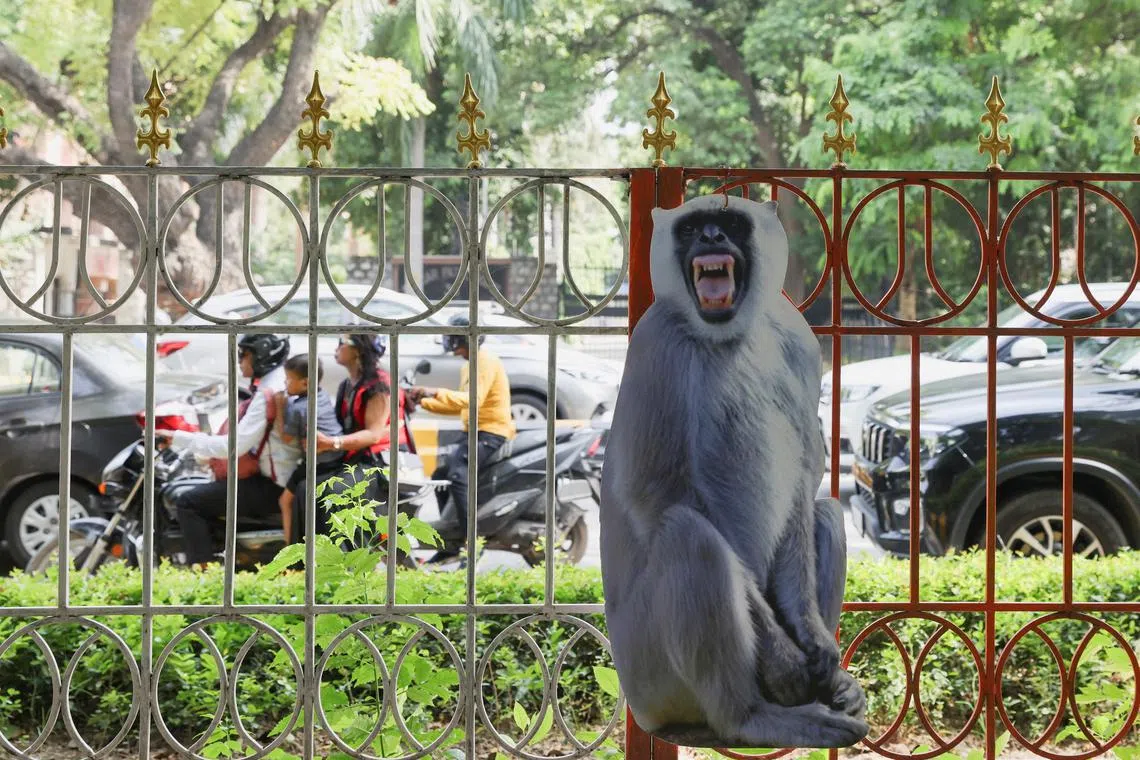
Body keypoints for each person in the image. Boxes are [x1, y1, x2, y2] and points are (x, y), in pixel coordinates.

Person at [158, 333, 294, 569]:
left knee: (188, 502)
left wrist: (179, 438)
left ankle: (204, 574)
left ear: (262, 356)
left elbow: (232, 447)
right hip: (280, 478)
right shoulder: (277, 383)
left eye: (245, 355)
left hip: (272, 484)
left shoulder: (267, 393)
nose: (240, 360)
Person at [410, 313, 516, 563]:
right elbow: (462, 406)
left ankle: (472, 542)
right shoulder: (469, 364)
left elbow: (472, 400)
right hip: (473, 431)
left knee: (458, 475)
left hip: (491, 432)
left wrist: (434, 391)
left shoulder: (484, 361)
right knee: (440, 475)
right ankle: (452, 539)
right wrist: (422, 402)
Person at [274, 353, 344, 545]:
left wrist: (280, 407)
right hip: (336, 459)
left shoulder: (300, 408)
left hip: (318, 463)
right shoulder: (321, 395)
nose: (285, 384)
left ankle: (290, 553)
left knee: (285, 501)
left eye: (289, 379)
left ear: (305, 383)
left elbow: (286, 438)